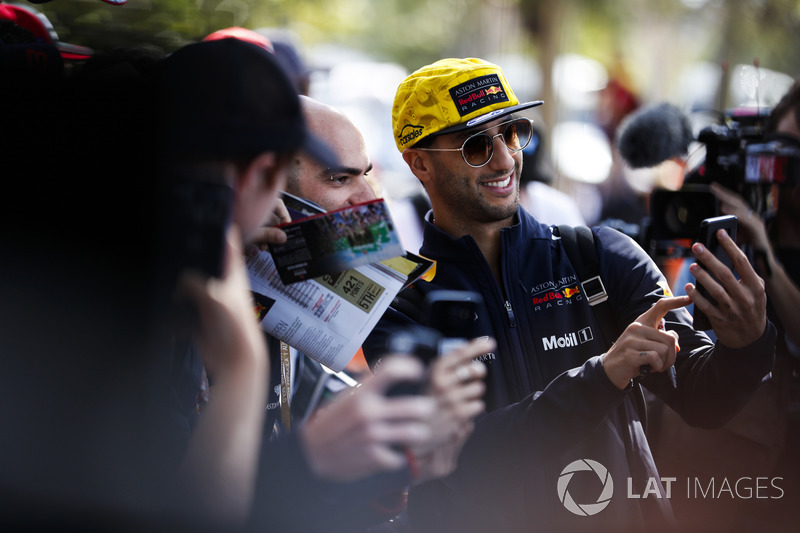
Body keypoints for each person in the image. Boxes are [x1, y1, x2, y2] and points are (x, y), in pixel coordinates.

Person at [362, 57, 777, 533]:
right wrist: (603, 376)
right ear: (419, 163)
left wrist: (747, 345)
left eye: (512, 132)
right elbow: (462, 456)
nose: (504, 159)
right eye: (476, 144)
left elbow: (704, 399)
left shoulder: (598, 258)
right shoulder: (398, 305)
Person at [264, 95, 493, 531]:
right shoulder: (181, 317)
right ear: (266, 191)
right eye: (339, 179)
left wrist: (383, 474)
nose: (368, 200)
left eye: (367, 176)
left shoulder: (294, 302)